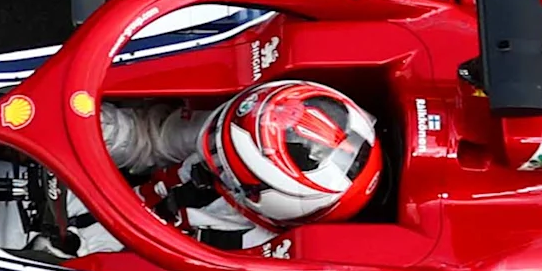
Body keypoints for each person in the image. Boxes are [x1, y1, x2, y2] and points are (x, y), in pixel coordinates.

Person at [102, 79, 384, 249]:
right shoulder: (240, 128)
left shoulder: (243, 248)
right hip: (107, 193)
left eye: (223, 162)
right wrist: (96, 128)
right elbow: (151, 136)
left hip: (112, 238)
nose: (209, 144)